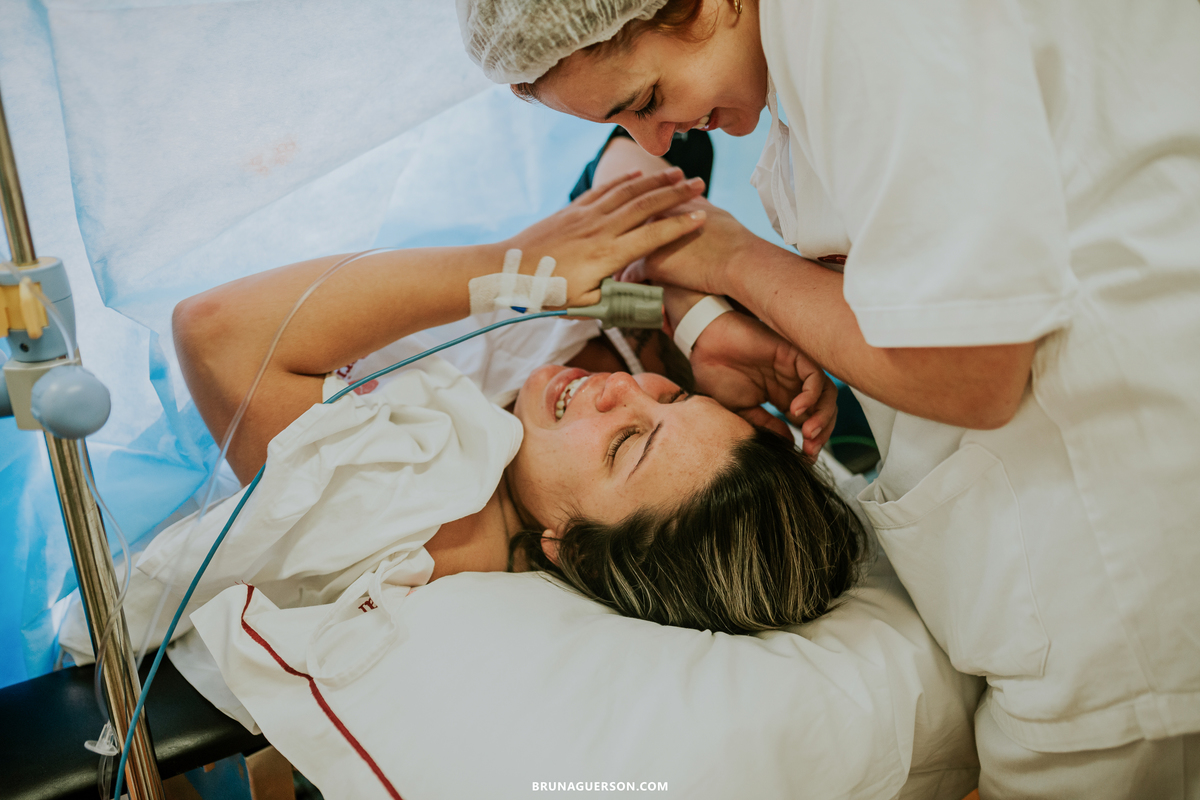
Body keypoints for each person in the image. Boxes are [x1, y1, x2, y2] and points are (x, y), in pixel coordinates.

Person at [455, 0, 1200, 796]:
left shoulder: (864, 24)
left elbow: (971, 371)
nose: (652, 137)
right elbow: (636, 184)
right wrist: (695, 311)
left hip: (1108, 541)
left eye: (644, 100)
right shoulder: (794, 56)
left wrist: (733, 267)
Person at [167, 168, 865, 637]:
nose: (625, 391)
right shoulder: (600, 414)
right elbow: (640, 179)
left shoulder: (413, 522)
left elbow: (218, 334)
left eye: (625, 443)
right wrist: (681, 313)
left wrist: (511, 266)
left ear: (574, 555)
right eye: (674, 398)